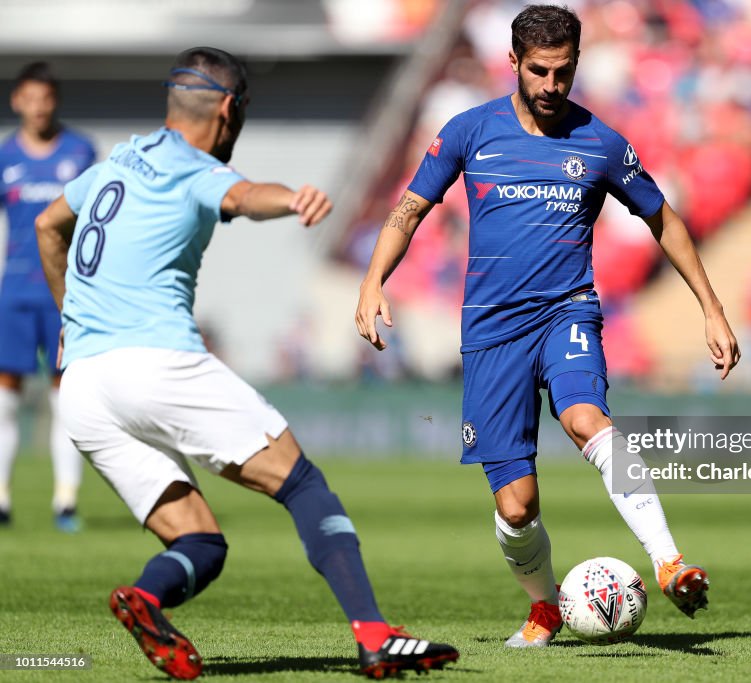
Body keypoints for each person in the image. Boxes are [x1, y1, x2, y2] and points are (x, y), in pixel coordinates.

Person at [34, 47, 458, 679]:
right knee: (304, 485)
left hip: (87, 388)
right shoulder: (193, 168)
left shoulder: (117, 160)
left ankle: (147, 598)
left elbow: (47, 225)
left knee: (199, 541)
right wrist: (294, 199)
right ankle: (374, 635)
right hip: (157, 363)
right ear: (230, 108)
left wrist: (69, 325)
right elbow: (245, 194)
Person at [356, 5, 740, 647]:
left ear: (577, 64)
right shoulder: (468, 132)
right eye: (539, 71)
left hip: (568, 312)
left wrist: (712, 307)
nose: (552, 86)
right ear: (513, 62)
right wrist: (372, 283)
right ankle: (545, 606)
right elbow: (408, 208)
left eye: (563, 72)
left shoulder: (603, 143)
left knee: (587, 418)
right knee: (517, 507)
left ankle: (669, 560)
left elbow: (664, 219)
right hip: (490, 332)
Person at [0, 62, 94, 532]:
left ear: (55, 100)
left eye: (46, 98)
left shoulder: (79, 152)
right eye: (30, 98)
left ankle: (66, 502)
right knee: (6, 401)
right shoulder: (5, 157)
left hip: (63, 292)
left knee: (66, 399)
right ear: (18, 101)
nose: (38, 107)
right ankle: (1, 497)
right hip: (14, 291)